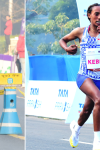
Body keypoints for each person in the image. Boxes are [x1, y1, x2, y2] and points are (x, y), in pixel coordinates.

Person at [59, 3, 100, 150]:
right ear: (88, 15)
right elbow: (62, 40)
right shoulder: (81, 32)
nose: (99, 17)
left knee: (87, 111)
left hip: (99, 78)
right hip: (85, 76)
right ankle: (97, 142)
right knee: (99, 99)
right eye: (96, 14)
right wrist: (67, 48)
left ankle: (76, 130)